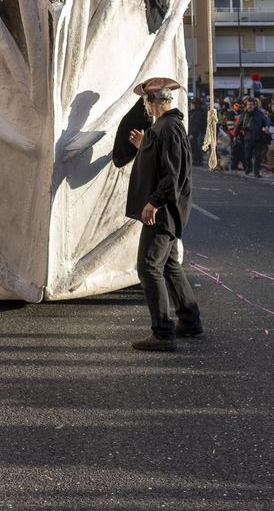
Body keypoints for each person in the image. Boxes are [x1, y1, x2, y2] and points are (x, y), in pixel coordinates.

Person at [114, 77, 201, 352]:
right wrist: (144, 148)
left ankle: (163, 333)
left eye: (145, 100)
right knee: (169, 264)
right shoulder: (164, 127)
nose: (145, 105)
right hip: (167, 209)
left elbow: (173, 173)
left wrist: (154, 202)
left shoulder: (169, 128)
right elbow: (162, 162)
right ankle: (189, 320)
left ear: (152, 101)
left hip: (163, 211)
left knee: (149, 267)